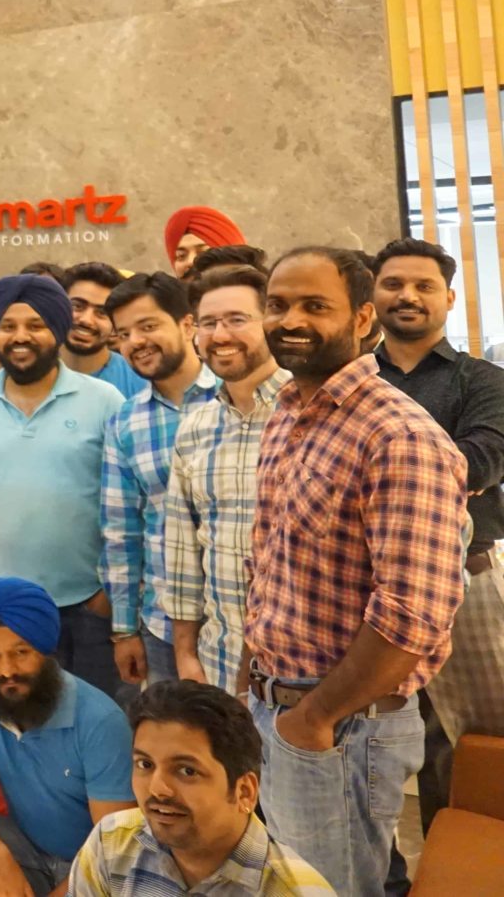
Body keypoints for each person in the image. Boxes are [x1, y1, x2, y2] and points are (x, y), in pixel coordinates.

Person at [242, 246, 466, 896]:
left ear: (363, 318)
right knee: (302, 881)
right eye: (278, 304)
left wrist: (314, 717)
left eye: (316, 305)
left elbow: (413, 615)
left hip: (342, 724)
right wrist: (252, 682)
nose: (291, 319)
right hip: (278, 705)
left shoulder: (399, 435)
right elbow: (272, 564)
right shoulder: (288, 411)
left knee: (330, 889)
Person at [0, 274, 129, 698]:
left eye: (35, 325)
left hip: (90, 606)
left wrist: (106, 594)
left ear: (58, 330)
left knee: (97, 715)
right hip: (8, 608)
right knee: (23, 717)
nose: (20, 337)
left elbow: (130, 505)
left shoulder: (105, 401)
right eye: (7, 326)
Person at [372, 236, 504, 835]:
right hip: (365, 584)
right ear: (371, 297)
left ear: (448, 298)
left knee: (480, 745)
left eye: (424, 286)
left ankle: (476, 861)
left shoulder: (484, 380)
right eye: (394, 284)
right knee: (385, 744)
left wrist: (374, 471)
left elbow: (483, 460)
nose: (408, 296)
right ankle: (416, 869)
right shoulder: (350, 381)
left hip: (465, 581)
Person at [0, 577, 136, 897]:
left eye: (21, 652)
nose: (7, 670)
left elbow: (113, 849)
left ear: (45, 651)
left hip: (96, 866)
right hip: (29, 850)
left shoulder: (101, 721)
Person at [68, 681, 335, 897]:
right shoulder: (111, 844)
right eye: (145, 764)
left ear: (244, 791)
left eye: (187, 771)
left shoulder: (295, 891)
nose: (158, 789)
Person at [160, 265, 286, 692]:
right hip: (218, 663)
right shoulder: (196, 426)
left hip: (306, 674)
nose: (220, 335)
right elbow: (182, 549)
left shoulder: (312, 411)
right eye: (208, 323)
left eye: (236, 319)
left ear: (270, 323)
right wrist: (185, 654)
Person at [100, 273, 214, 690]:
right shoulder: (125, 422)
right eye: (124, 334)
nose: (136, 342)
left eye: (148, 326)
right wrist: (124, 629)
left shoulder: (236, 396)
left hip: (243, 620)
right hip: (162, 626)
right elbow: (121, 532)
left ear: (187, 324)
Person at [64, 264, 144, 398]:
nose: (86, 320)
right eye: (77, 306)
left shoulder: (140, 381)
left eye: (102, 312)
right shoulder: (31, 371)